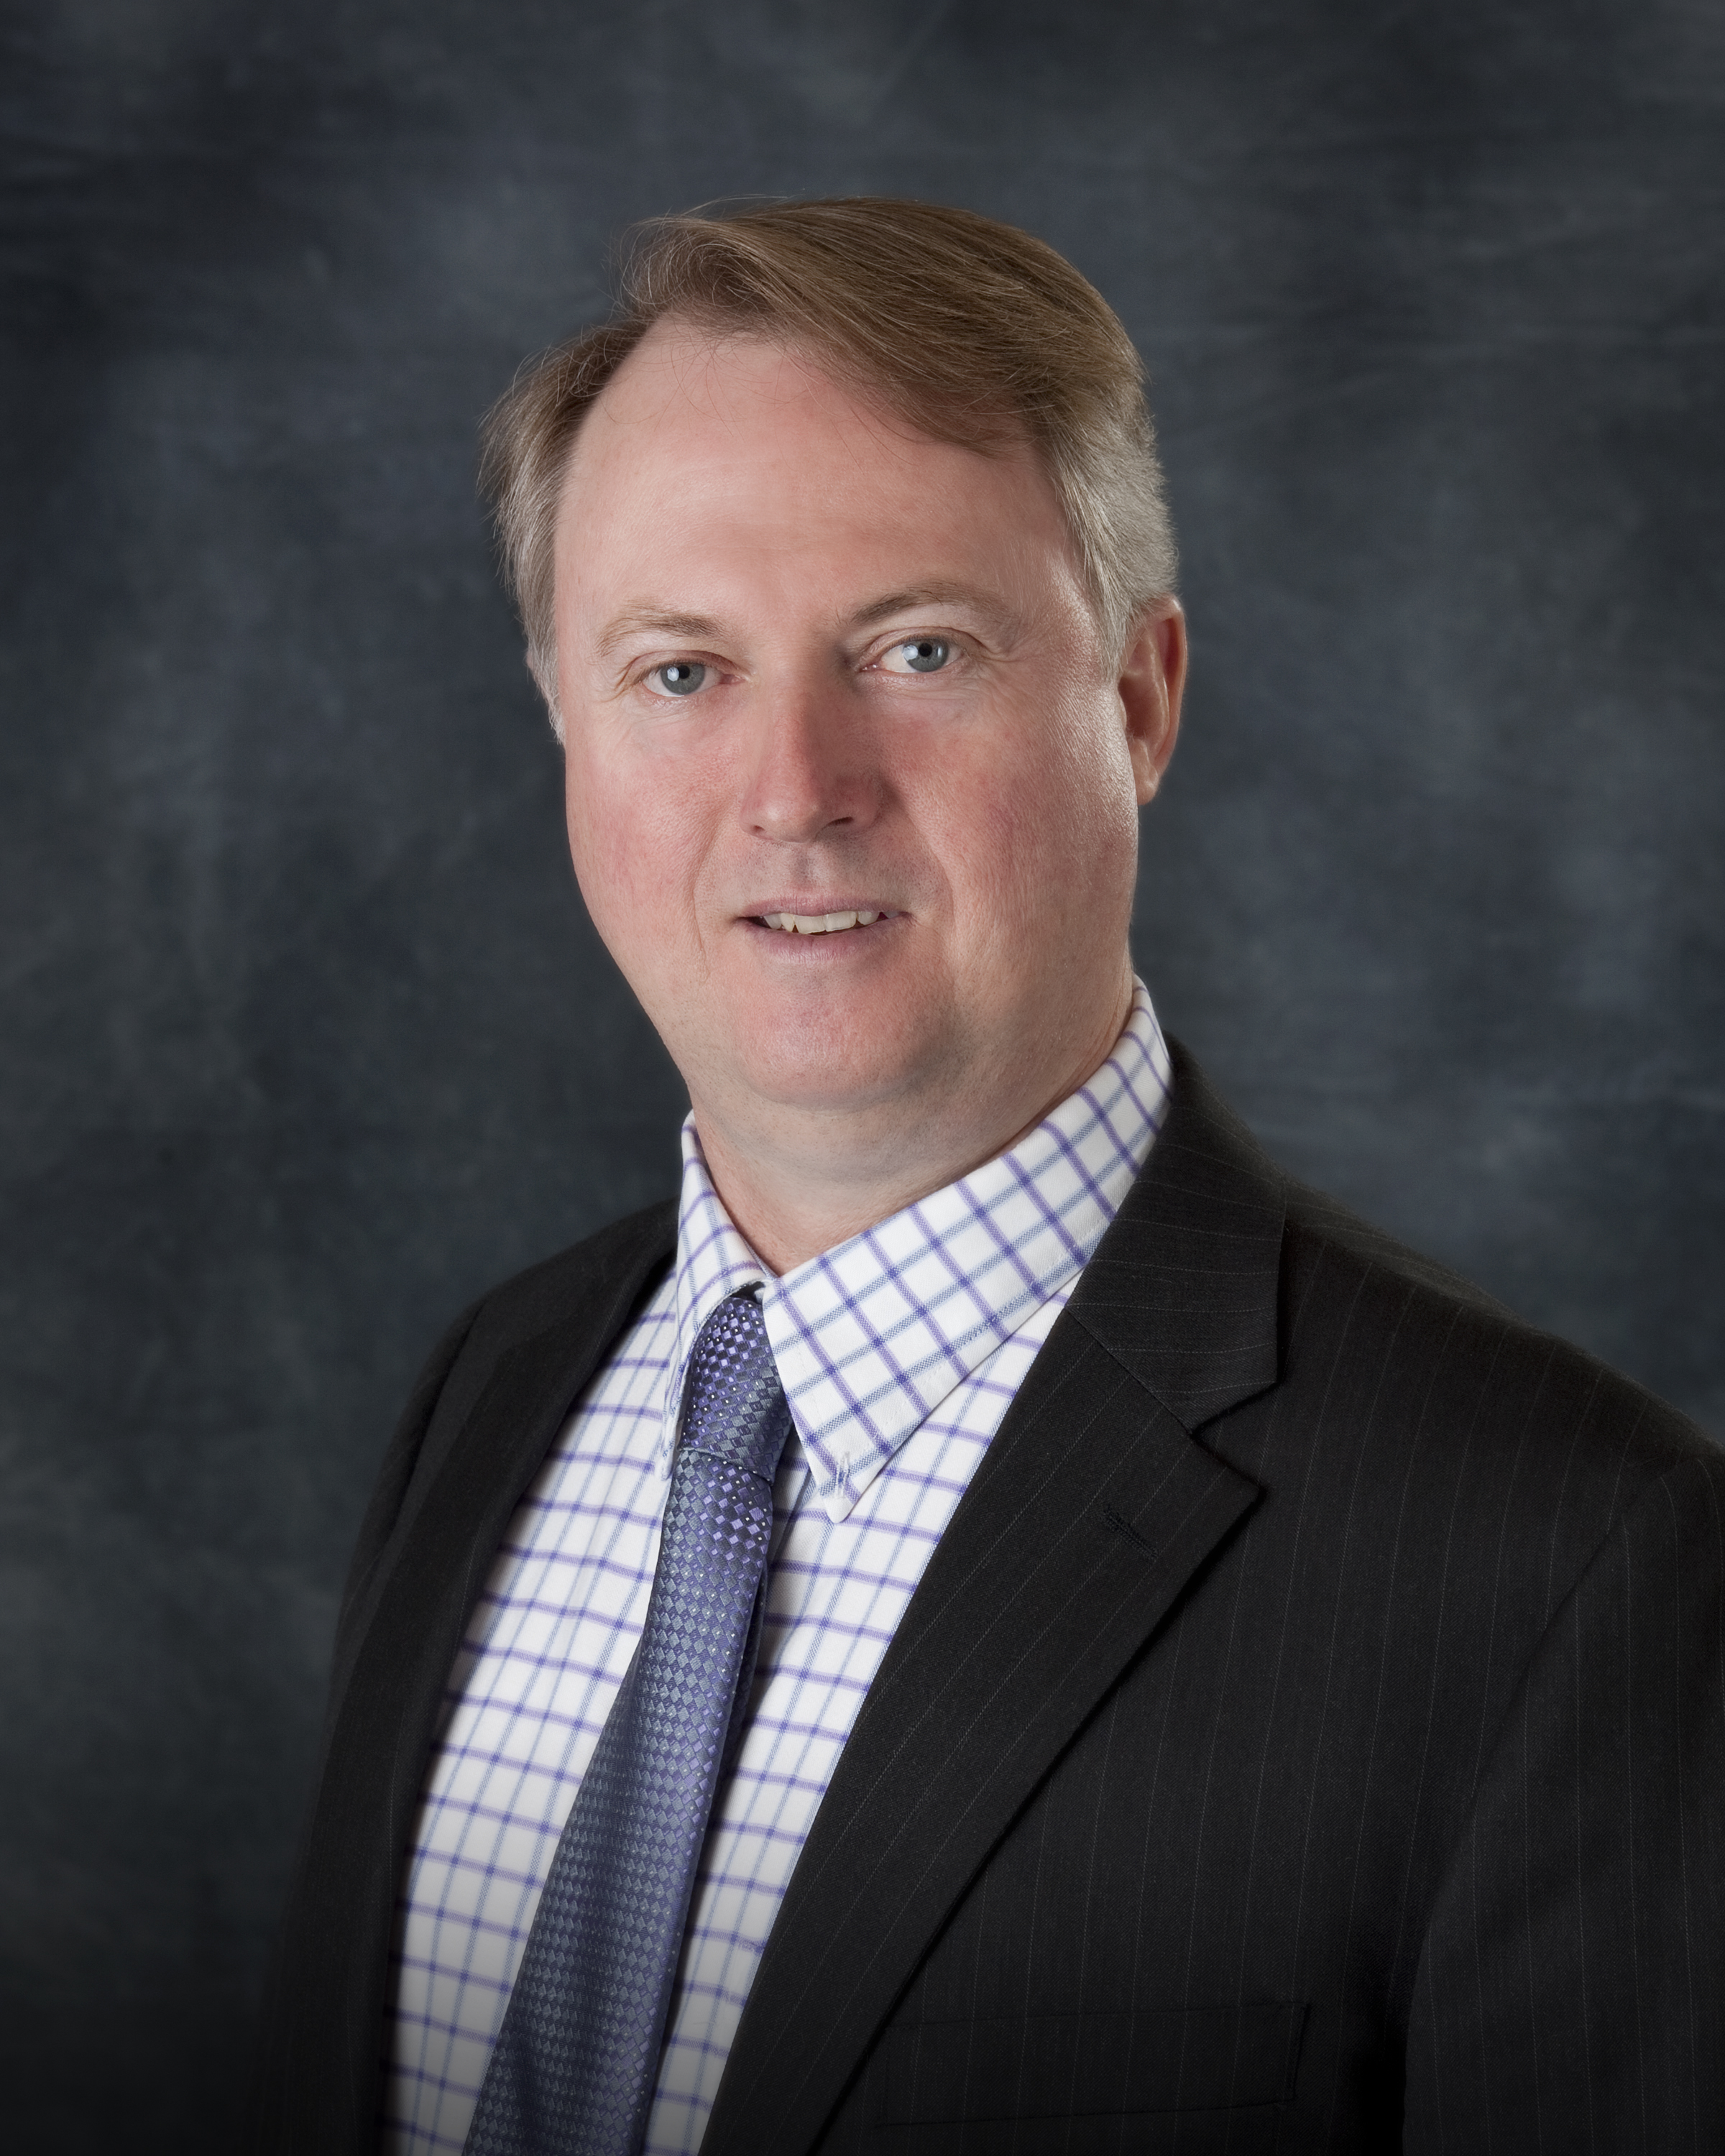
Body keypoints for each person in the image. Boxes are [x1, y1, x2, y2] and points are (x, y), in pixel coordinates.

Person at [252, 199, 1724, 2155]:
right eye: (681, 673)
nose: (796, 785)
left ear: (1139, 700)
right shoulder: (491, 1393)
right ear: (564, 726)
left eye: (919, 648)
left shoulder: (1573, 1569)